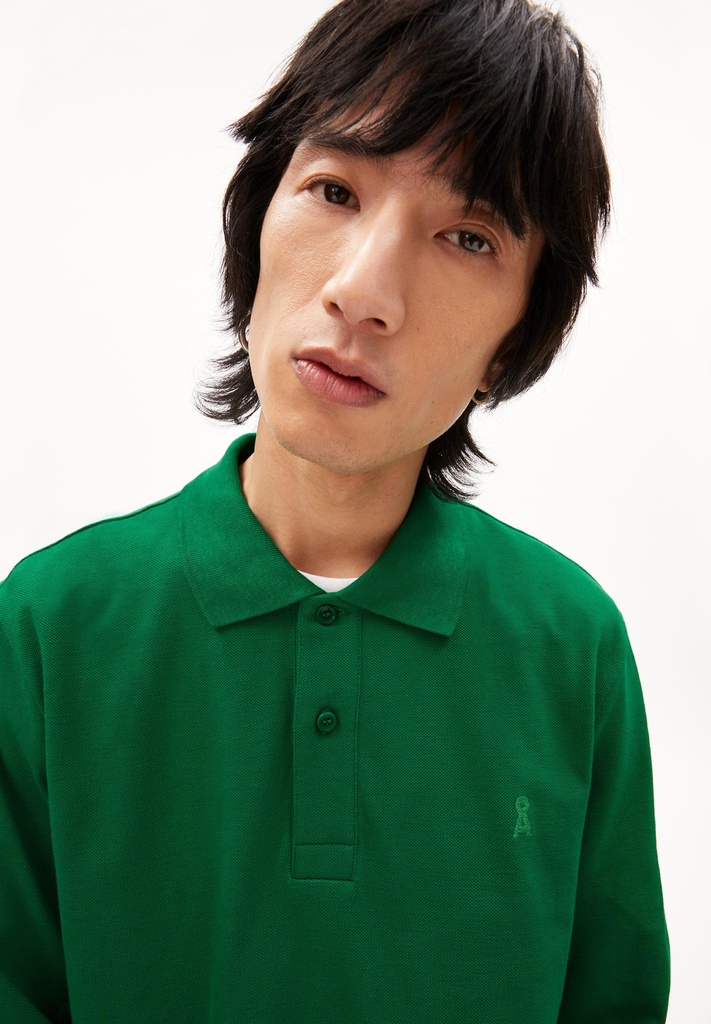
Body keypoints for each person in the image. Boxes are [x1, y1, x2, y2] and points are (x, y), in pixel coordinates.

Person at [0, 0, 670, 1020]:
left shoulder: (571, 646)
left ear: (515, 338)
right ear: (255, 221)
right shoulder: (49, 625)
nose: (364, 292)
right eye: (334, 189)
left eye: (467, 236)